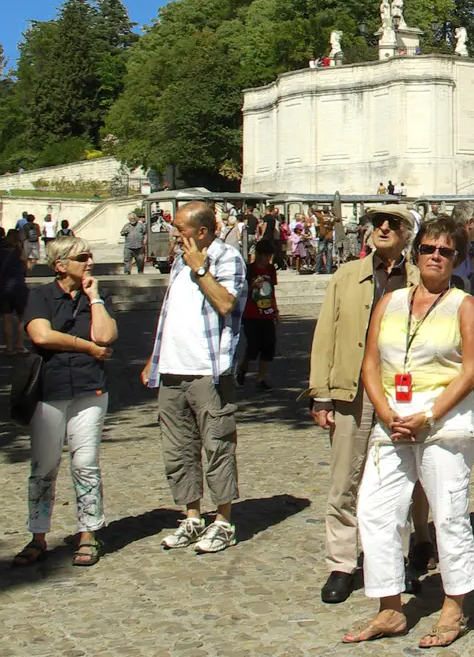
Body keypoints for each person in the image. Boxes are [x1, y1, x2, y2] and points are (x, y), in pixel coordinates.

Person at [341, 217, 474, 647]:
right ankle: (390, 607)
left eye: (444, 251)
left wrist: (429, 414)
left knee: (448, 514)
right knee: (376, 511)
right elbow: (370, 362)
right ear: (415, 253)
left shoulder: (465, 305)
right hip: (393, 421)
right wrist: (384, 411)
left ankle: (454, 608)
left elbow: (472, 371)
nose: (435, 257)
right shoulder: (391, 301)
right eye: (428, 249)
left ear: (456, 259)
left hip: (444, 423)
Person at [308, 204, 415, 604]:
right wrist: (320, 393)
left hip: (397, 393)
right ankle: (341, 563)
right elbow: (325, 335)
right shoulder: (347, 276)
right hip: (350, 391)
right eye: (377, 223)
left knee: (396, 482)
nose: (383, 228)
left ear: (407, 233)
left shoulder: (418, 278)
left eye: (394, 224)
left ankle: (394, 559)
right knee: (344, 482)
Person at [141, 201, 247, 555]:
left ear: (202, 231)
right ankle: (192, 515)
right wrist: (154, 360)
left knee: (217, 445)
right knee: (178, 450)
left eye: (181, 229)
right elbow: (172, 313)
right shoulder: (177, 261)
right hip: (172, 369)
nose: (174, 234)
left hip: (207, 370)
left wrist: (201, 271)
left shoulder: (226, 257)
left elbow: (227, 304)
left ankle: (223, 521)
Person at [16, 235, 118, 568]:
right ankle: (38, 535)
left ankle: (89, 532)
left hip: (90, 389)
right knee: (43, 467)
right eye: (83, 257)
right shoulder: (40, 296)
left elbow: (105, 336)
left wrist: (95, 297)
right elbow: (41, 335)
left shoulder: (94, 299)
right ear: (61, 265)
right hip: (49, 389)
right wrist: (85, 347)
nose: (90, 262)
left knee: (85, 463)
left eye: (90, 256)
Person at [239, 239, 279, 389]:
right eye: (265, 256)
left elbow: (272, 291)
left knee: (268, 346)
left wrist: (276, 310)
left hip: (267, 313)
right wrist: (252, 286)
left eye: (269, 256)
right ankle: (243, 367)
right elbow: (241, 291)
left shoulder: (271, 269)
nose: (267, 259)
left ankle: (260, 378)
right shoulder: (249, 270)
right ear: (258, 255)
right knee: (253, 346)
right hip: (251, 313)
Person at [0, 229, 31, 355]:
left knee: (6, 319)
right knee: (21, 318)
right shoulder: (20, 251)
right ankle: (20, 345)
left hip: (3, 287)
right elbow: (27, 268)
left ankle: (9, 348)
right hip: (19, 287)